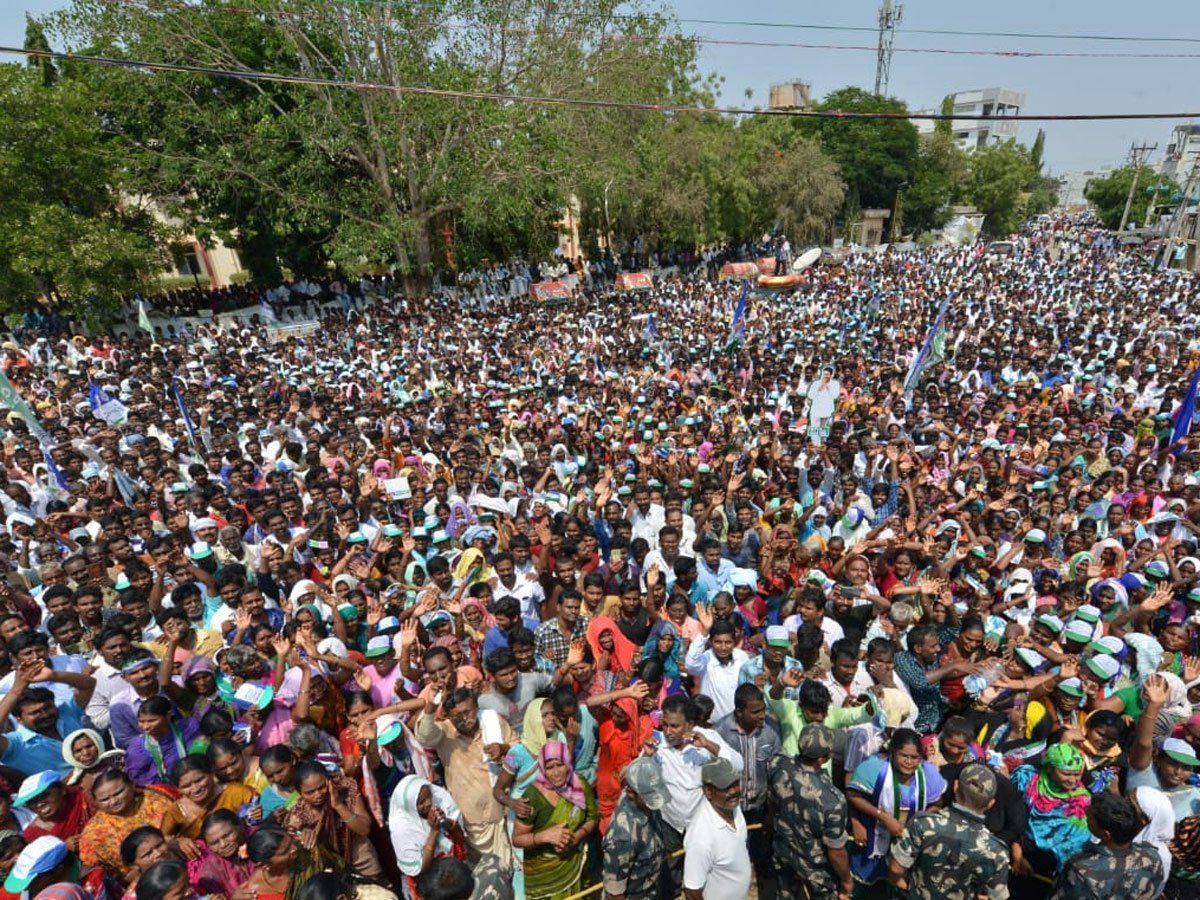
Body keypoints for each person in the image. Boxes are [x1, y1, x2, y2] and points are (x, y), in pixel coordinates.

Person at [887, 762, 1010, 900]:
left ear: (956, 786)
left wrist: (911, 890)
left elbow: (895, 869)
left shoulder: (924, 823)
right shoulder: (997, 851)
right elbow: (998, 897)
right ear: (990, 803)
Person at [846, 728, 947, 887]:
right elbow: (852, 795)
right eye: (904, 756)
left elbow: (938, 803)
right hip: (872, 837)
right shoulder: (874, 768)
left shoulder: (928, 774)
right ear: (892, 753)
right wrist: (882, 817)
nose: (909, 762)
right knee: (867, 884)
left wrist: (918, 821)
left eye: (915, 757)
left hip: (906, 842)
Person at [767, 723, 853, 900]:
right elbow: (836, 851)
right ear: (823, 758)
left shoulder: (778, 763)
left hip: (783, 850)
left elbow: (772, 802)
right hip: (815, 869)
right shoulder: (833, 801)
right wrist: (846, 880)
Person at [511, 740, 598, 900]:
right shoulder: (532, 797)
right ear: (542, 768)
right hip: (544, 877)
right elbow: (516, 839)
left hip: (573, 865)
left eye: (560, 765)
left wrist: (575, 838)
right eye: (550, 767)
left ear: (568, 764)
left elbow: (592, 818)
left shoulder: (579, 785)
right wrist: (545, 836)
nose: (556, 773)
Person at [1053, 792, 1163, 900]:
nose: (1086, 817)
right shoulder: (1153, 857)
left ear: (1106, 835)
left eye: (1090, 818)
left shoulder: (1081, 870)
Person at [78, 771, 175, 880]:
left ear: (132, 785)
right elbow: (94, 874)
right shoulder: (93, 834)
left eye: (118, 793)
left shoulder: (157, 799)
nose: (114, 801)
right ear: (95, 802)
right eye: (105, 799)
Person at [387, 775, 467, 900]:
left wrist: (444, 821)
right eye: (421, 802)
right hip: (431, 885)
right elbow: (421, 870)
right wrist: (434, 832)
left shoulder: (438, 801)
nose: (428, 803)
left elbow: (460, 837)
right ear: (409, 806)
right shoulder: (402, 829)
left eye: (429, 796)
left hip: (452, 873)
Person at [600, 757, 670, 900]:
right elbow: (615, 894)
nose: (656, 801)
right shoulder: (622, 838)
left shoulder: (643, 801)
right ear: (631, 792)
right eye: (649, 795)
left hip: (651, 888)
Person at [682, 758, 751, 900]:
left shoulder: (732, 806)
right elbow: (692, 891)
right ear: (708, 791)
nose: (734, 791)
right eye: (725, 787)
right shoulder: (701, 838)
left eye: (735, 783)